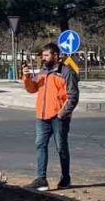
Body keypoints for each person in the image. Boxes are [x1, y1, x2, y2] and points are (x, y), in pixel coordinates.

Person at [22, 42, 79, 190]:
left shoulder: (66, 72)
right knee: (40, 144)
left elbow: (73, 96)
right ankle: (41, 179)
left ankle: (65, 178)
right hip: (42, 116)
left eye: (47, 55)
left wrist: (62, 114)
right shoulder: (42, 71)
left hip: (59, 117)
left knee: (61, 147)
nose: (44, 58)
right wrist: (26, 77)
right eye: (43, 55)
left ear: (55, 55)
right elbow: (32, 89)